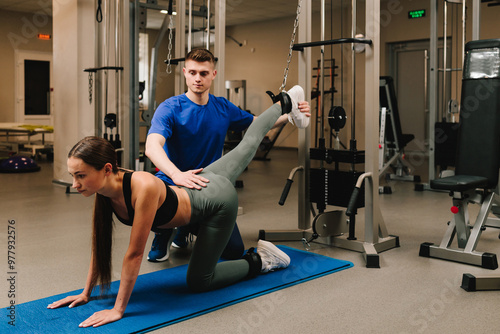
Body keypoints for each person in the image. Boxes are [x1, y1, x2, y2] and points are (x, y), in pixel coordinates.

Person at [47, 87, 308, 328]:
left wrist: (118, 309)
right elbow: (100, 244)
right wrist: (85, 293)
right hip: (202, 181)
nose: (75, 183)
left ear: (105, 169)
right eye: (73, 175)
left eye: (80, 176)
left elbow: (135, 254)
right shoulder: (104, 187)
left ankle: (262, 259)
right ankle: (286, 103)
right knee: (248, 145)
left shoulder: (143, 187)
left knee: (199, 281)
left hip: (217, 202)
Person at [145, 48, 310, 262]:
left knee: (233, 252)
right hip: (173, 184)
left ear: (213, 75)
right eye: (193, 72)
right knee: (152, 197)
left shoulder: (222, 106)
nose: (197, 78)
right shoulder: (170, 107)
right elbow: (151, 146)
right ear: (185, 72)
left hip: (208, 185)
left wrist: (290, 114)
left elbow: (256, 124)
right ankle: (164, 232)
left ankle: (185, 228)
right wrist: (177, 175)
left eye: (203, 73)